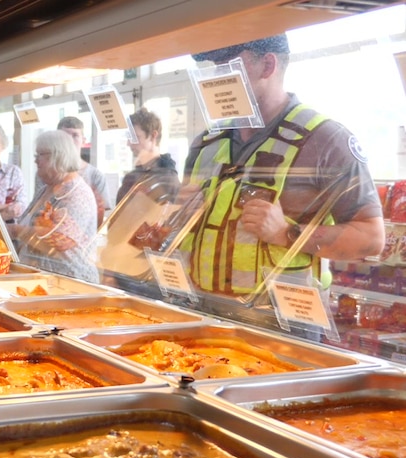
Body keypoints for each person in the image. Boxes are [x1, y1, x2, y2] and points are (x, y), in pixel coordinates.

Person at [180, 34, 385, 296]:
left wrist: (286, 233)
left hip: (284, 325)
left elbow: (371, 240)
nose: (217, 78)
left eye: (228, 65)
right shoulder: (206, 142)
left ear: (268, 66)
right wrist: (177, 211)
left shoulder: (327, 140)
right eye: (214, 67)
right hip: (204, 312)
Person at [11, 130, 99, 283]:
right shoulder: (46, 189)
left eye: (40, 155)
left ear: (57, 155)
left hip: (72, 284)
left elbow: (57, 242)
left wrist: (15, 231)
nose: (36, 161)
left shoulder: (77, 193)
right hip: (45, 281)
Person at [115, 107, 180, 205]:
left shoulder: (168, 180)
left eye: (135, 137)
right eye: (129, 138)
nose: (129, 143)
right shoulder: (131, 178)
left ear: (153, 135)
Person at [57, 116, 110, 226]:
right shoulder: (48, 174)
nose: (70, 141)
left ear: (83, 141)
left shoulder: (95, 176)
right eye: (65, 136)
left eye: (75, 135)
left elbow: (101, 213)